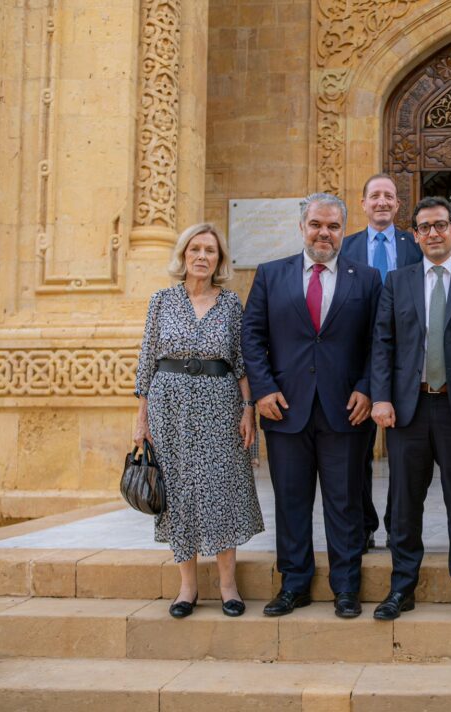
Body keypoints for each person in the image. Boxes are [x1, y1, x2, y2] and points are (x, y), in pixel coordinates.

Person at [241, 193, 381, 619]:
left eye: (334, 226)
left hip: (346, 409)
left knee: (344, 503)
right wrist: (262, 390)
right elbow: (252, 335)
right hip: (284, 410)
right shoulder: (271, 274)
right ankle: (294, 584)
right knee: (292, 500)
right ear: (302, 227)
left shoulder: (368, 278)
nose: (325, 233)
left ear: (343, 231)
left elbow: (381, 340)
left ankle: (345, 588)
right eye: (317, 224)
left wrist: (367, 387)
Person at [370, 196, 451, 621]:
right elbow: (384, 342)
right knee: (404, 502)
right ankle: (401, 587)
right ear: (414, 234)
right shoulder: (397, 280)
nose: (433, 233)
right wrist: (382, 396)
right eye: (424, 227)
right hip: (407, 408)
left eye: (440, 225)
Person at [133, 223, 263, 619]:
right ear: (183, 256)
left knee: (222, 489)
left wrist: (249, 410)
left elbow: (241, 364)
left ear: (219, 260)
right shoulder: (161, 301)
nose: (202, 256)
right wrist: (140, 420)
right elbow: (146, 361)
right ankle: (187, 587)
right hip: (168, 406)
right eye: (195, 250)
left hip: (220, 405)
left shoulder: (230, 303)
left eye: (210, 251)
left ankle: (228, 585)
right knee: (178, 492)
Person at [342, 174, 423, 549]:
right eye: (374, 195)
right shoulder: (345, 247)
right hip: (357, 362)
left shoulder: (415, 244)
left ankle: (397, 524)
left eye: (389, 196)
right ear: (363, 203)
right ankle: (364, 524)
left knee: (404, 455)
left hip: (406, 360)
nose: (382, 202)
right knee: (357, 451)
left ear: (397, 204)